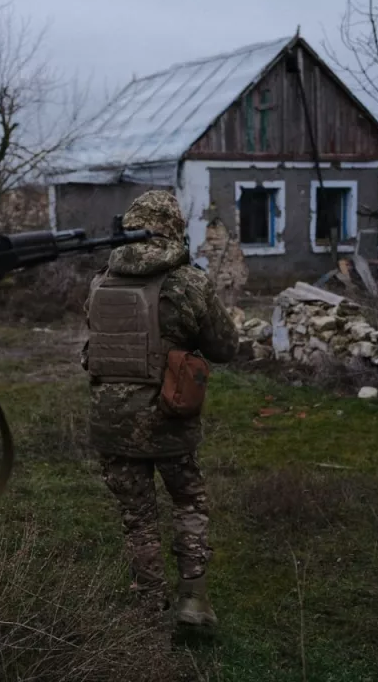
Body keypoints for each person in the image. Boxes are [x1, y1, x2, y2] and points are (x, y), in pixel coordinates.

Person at [81, 190, 238, 627]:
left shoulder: (101, 279)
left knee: (138, 518)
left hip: (112, 420)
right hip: (170, 416)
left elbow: (91, 346)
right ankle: (193, 600)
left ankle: (148, 605)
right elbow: (224, 347)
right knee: (188, 502)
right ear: (174, 226)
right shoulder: (189, 282)